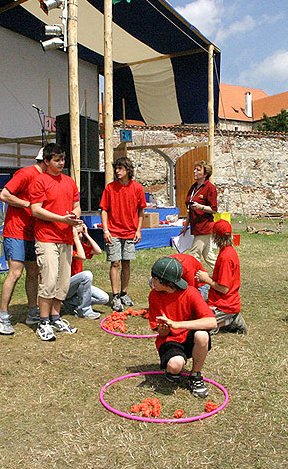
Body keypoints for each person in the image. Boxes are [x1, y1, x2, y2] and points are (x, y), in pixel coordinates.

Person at [29, 143, 83, 341]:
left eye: (63, 159)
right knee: (49, 280)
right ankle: (43, 322)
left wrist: (74, 216)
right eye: (57, 160)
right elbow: (36, 209)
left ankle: (56, 317)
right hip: (46, 237)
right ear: (47, 161)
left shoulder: (69, 182)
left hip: (65, 237)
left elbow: (77, 205)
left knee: (63, 282)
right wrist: (61, 219)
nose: (61, 163)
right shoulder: (39, 181)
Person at [0, 151, 46, 335]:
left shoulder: (46, 178)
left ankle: (33, 311)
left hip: (33, 233)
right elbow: (4, 195)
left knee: (33, 272)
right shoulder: (26, 173)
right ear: (46, 160)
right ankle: (2, 316)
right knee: (15, 272)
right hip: (16, 231)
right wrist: (27, 205)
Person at [148, 257, 217, 398]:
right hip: (170, 339)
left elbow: (212, 322)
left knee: (202, 335)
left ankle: (196, 375)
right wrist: (164, 329)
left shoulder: (191, 293)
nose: (151, 281)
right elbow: (161, 333)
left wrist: (177, 324)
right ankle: (173, 367)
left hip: (188, 337)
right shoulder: (154, 295)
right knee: (175, 366)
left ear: (165, 281)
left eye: (154, 278)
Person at [99, 156, 147, 311]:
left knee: (127, 262)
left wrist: (139, 230)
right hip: (114, 232)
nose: (117, 171)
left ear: (128, 170)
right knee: (115, 262)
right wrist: (106, 230)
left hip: (130, 232)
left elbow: (141, 210)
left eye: (120, 168)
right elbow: (104, 210)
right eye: (116, 168)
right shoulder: (109, 188)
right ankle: (115, 296)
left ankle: (124, 292)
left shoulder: (137, 188)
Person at [196, 219, 247, 334]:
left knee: (200, 329)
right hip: (221, 301)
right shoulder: (227, 251)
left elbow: (224, 289)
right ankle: (227, 318)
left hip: (225, 304)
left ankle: (231, 320)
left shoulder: (226, 257)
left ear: (215, 235)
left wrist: (206, 279)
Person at [63, 223, 109, 319]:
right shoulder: (66, 248)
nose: (80, 236)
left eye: (81, 233)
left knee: (104, 298)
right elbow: (82, 257)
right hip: (66, 287)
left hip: (78, 285)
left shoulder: (79, 246)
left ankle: (71, 303)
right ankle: (84, 311)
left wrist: (87, 235)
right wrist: (75, 238)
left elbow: (98, 251)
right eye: (78, 233)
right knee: (87, 275)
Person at [180, 160, 218, 271]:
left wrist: (200, 207)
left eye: (198, 170)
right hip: (195, 226)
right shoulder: (193, 187)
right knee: (208, 255)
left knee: (194, 254)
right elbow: (190, 209)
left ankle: (196, 277)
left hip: (205, 226)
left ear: (205, 174)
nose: (194, 172)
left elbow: (214, 209)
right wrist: (186, 226)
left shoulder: (210, 188)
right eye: (194, 169)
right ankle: (224, 273)